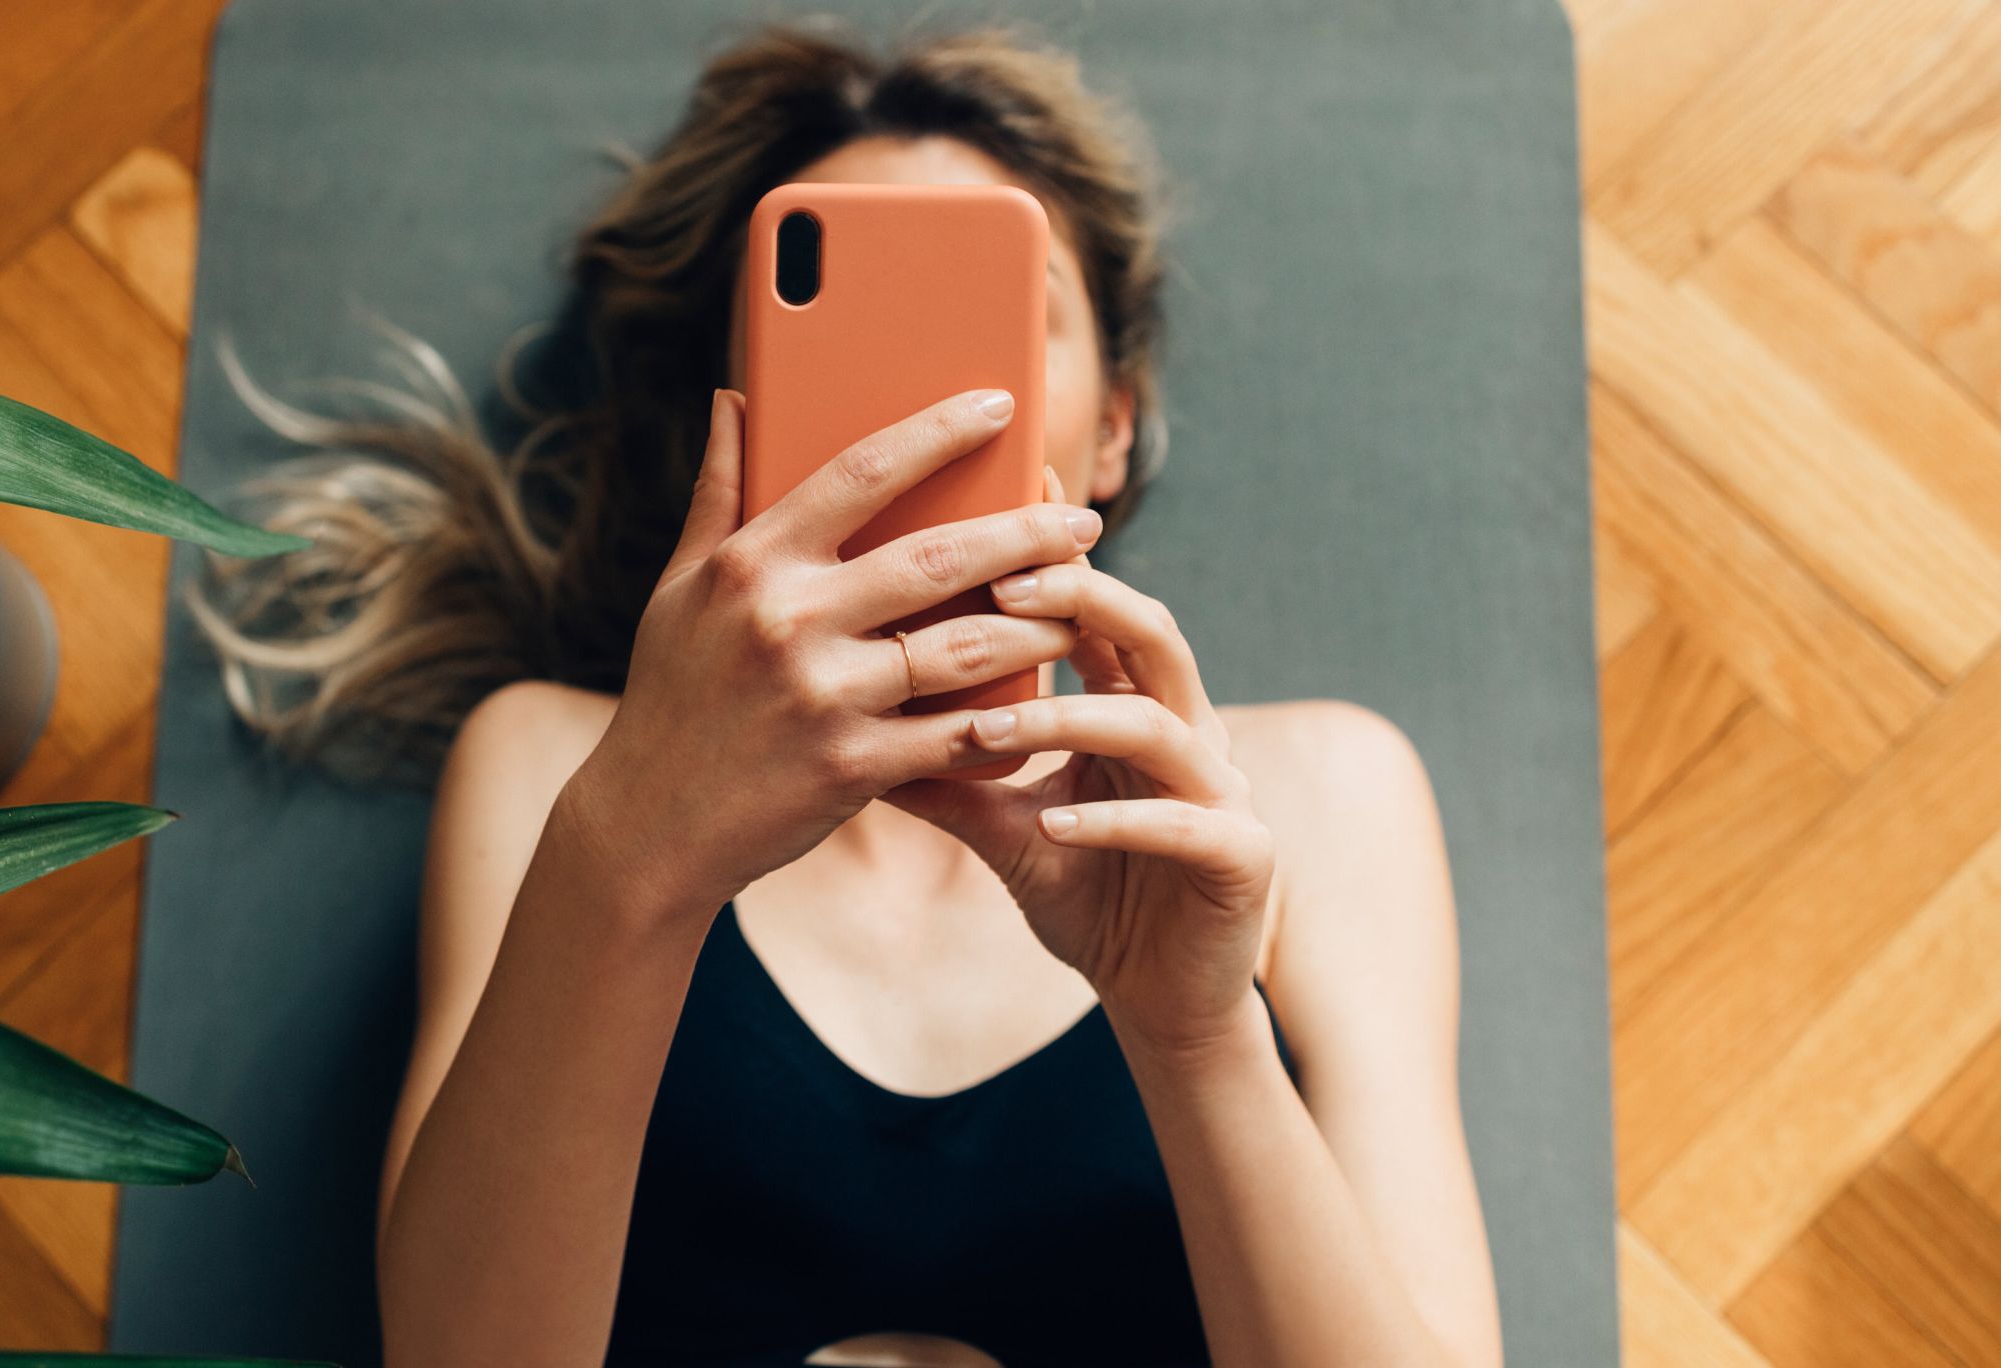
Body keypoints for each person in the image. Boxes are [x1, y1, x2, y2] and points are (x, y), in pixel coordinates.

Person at [193, 18, 1501, 1367]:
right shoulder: (560, 768)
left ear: (1113, 422)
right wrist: (631, 854)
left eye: (1002, 311)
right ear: (741, 407)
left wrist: (1196, 1038)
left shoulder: (1321, 797)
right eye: (865, 323)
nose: (933, 390)